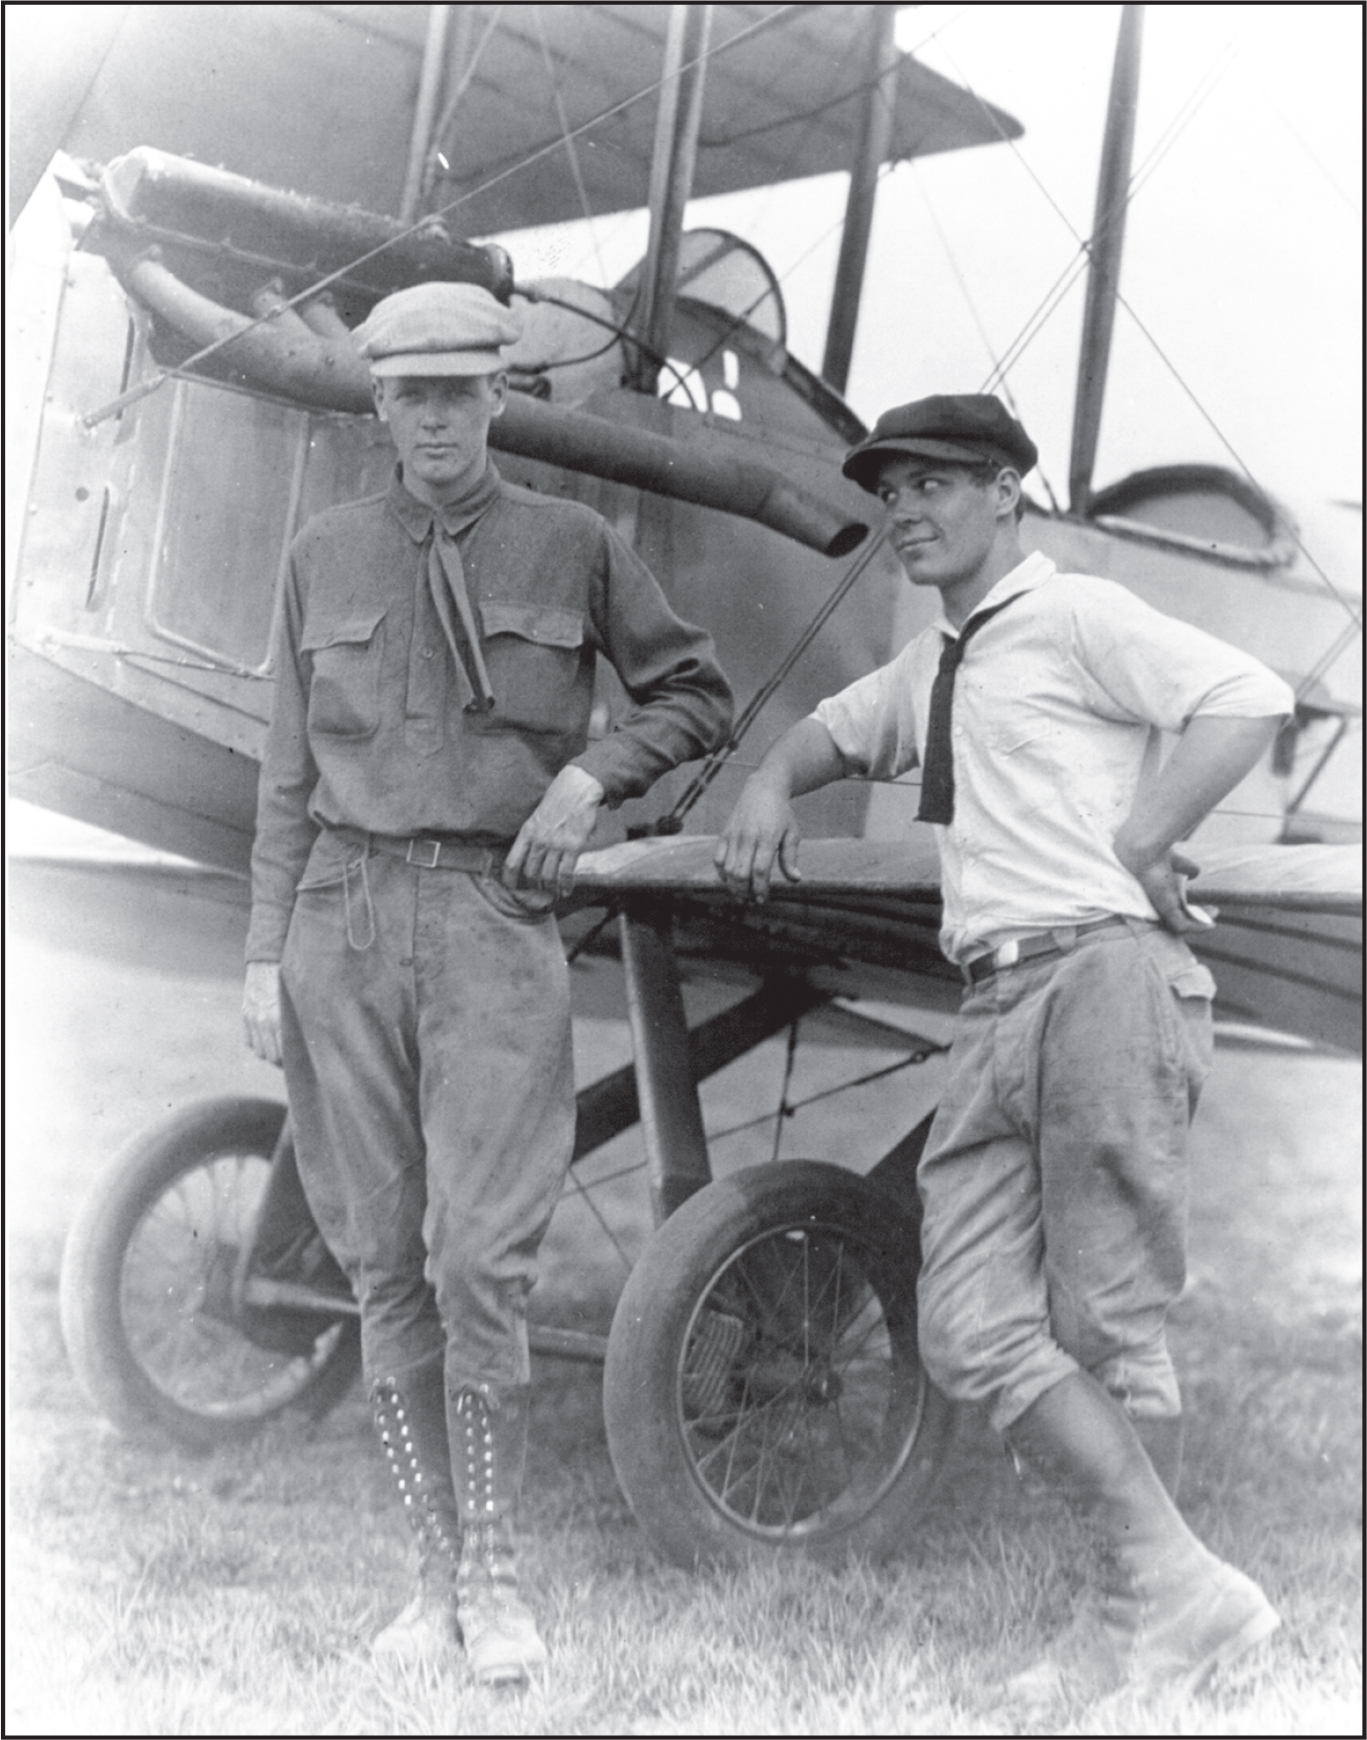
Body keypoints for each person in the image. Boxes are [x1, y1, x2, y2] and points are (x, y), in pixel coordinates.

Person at [715, 394, 1292, 1714]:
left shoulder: (1077, 615)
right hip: (992, 1000)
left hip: (1103, 975)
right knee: (970, 1325)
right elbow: (834, 732)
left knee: (1108, 1325)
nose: (907, 511)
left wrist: (1146, 840)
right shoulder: (938, 660)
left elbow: (1245, 698)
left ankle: (1129, 1625)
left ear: (1005, 495)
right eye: (891, 492)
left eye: (934, 486)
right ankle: (1182, 1588)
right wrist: (764, 784)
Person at [242, 280, 732, 1685]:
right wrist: (263, 951)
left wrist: (590, 777)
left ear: (499, 397)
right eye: (410, 392)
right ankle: (427, 1580)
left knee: (480, 1257)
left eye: (462, 390)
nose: (437, 416)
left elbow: (693, 692)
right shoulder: (321, 555)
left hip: (493, 921)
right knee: (379, 1255)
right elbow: (283, 775)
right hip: (342, 917)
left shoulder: (574, 543)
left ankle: (500, 1576)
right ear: (378, 405)